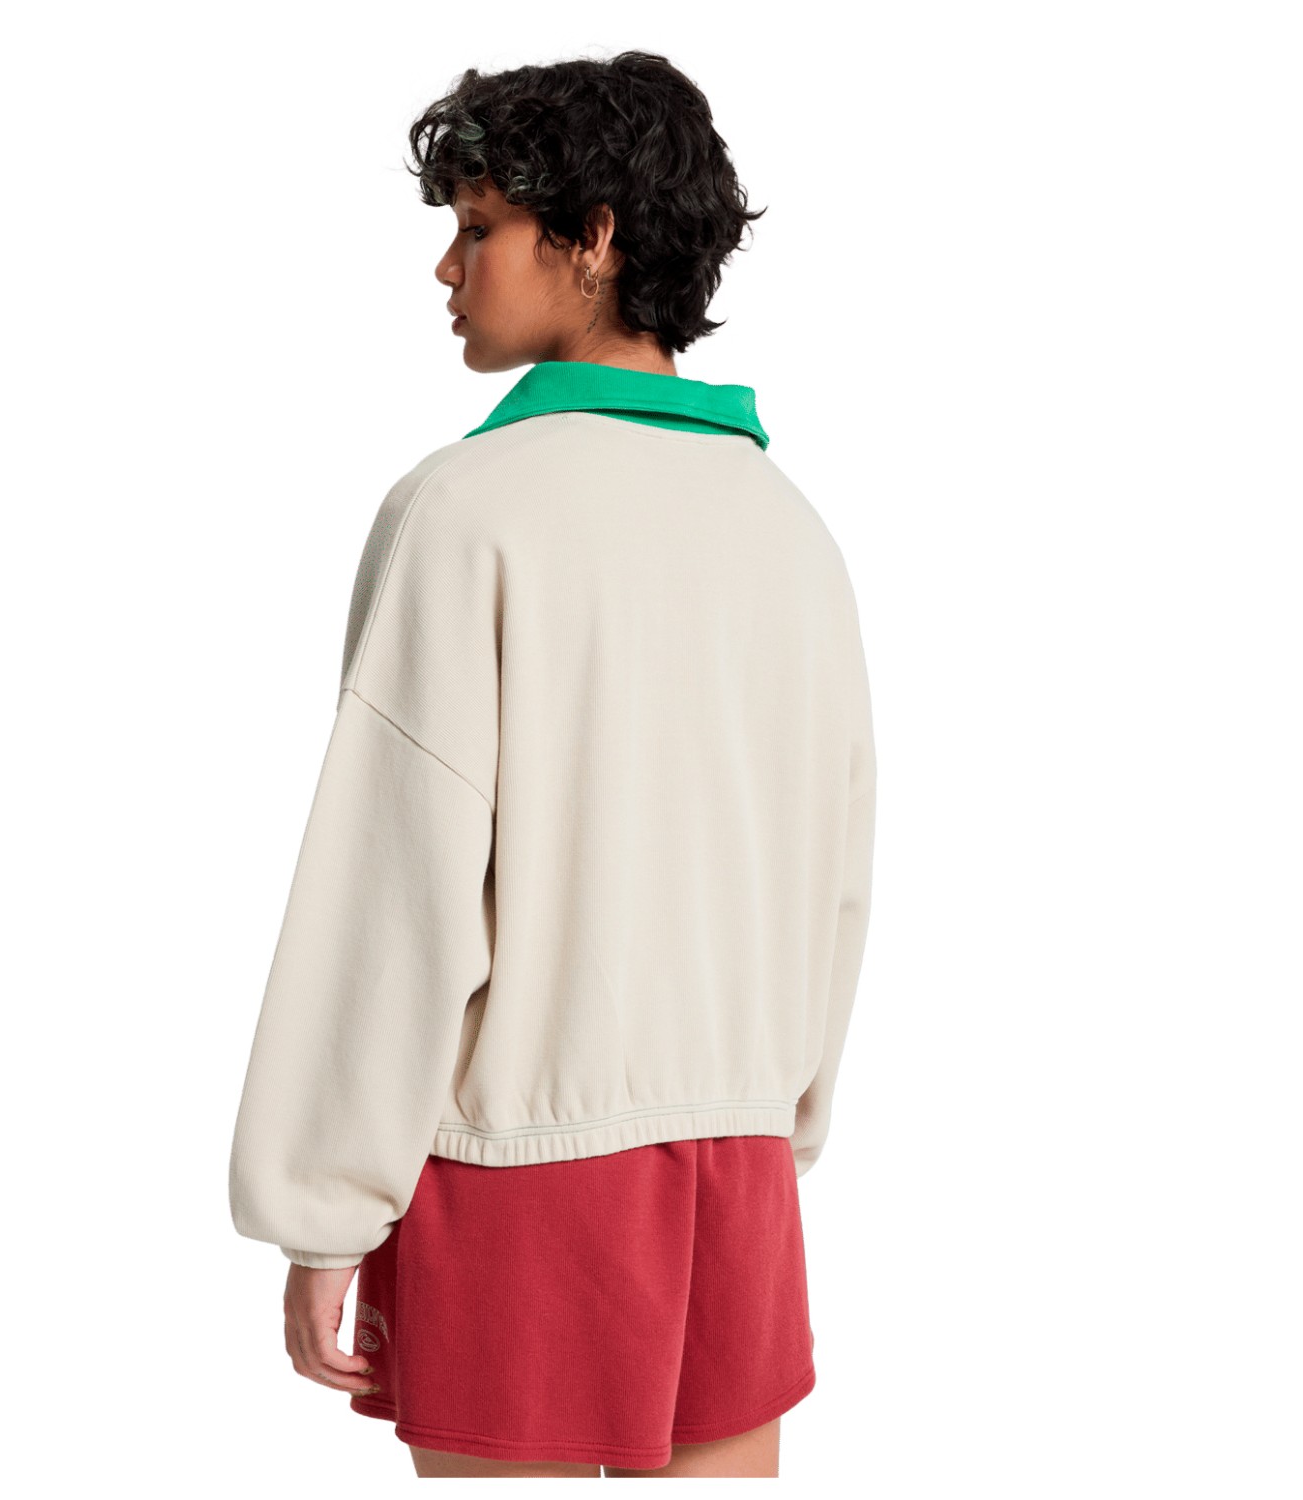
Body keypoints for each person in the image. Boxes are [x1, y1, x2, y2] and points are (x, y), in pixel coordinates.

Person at [228, 51, 877, 1480]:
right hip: (738, 1177)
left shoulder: (467, 511)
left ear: (592, 239)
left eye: (479, 227)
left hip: (518, 1177)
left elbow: (394, 885)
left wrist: (323, 1205)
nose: (446, 268)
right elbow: (832, 881)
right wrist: (777, 1126)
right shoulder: (793, 533)